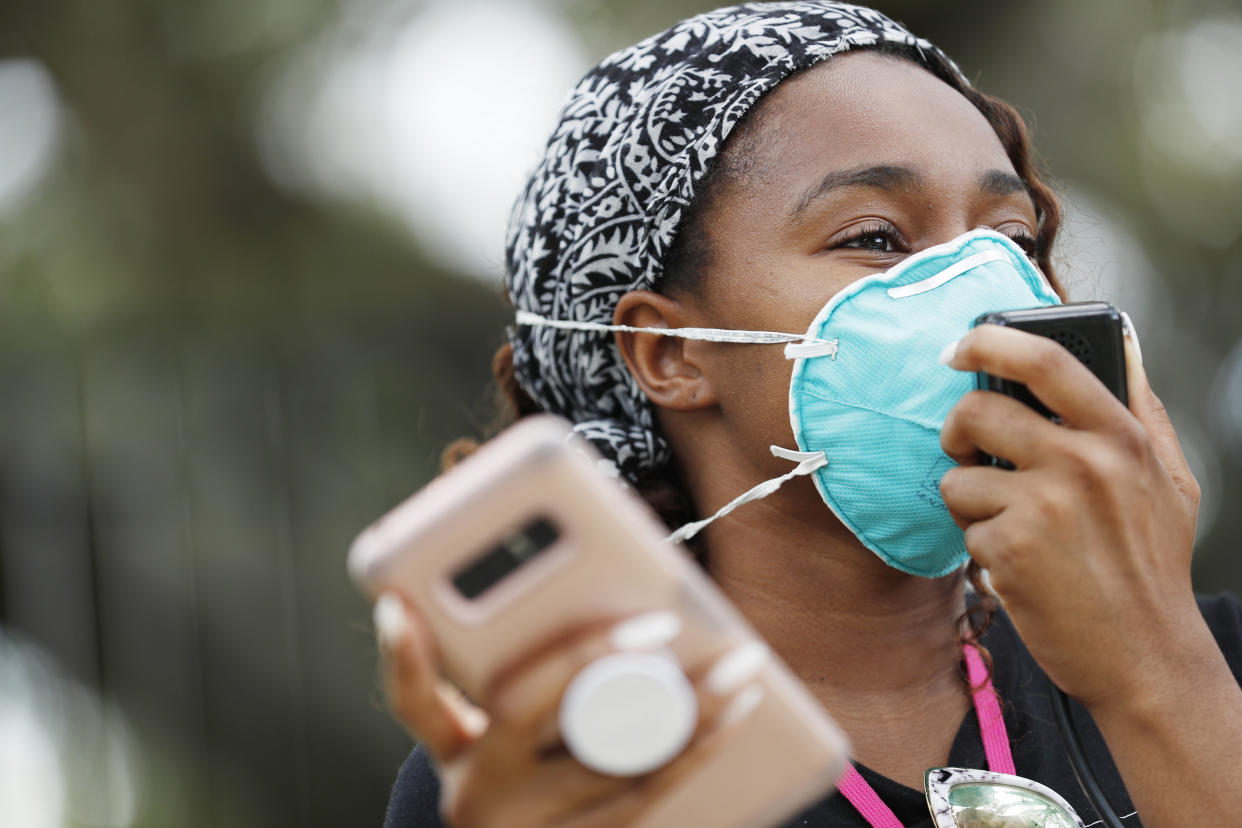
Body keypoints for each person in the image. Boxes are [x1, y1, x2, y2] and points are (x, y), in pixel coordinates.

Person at [371, 4, 1242, 826]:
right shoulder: (574, 768)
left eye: (1010, 240)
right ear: (669, 354)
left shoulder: (1211, 659)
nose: (984, 293)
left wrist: (1156, 670)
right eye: (875, 236)